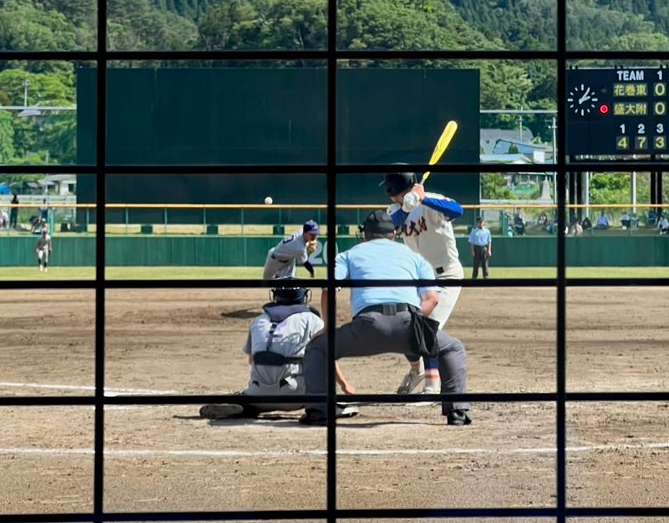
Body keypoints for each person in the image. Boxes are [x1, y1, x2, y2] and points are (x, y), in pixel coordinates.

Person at [301, 210, 471, 426]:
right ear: (393, 235)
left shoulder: (349, 254)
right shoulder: (413, 256)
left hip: (367, 326)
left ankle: (318, 411)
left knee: (318, 348)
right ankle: (457, 412)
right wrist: (414, 324)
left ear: (365, 235)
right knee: (452, 348)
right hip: (407, 322)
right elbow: (432, 299)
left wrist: (328, 326)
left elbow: (329, 287)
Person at [200, 286, 355, 420]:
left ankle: (245, 405)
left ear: (274, 296)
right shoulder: (311, 320)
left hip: (258, 394)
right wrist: (344, 384)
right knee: (322, 357)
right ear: (304, 296)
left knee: (252, 390)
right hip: (296, 395)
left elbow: (251, 360)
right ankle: (324, 407)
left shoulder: (258, 321)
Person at [382, 171, 464, 397]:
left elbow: (458, 210)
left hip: (446, 276)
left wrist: (424, 198)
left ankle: (432, 386)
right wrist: (407, 208)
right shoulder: (395, 210)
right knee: (404, 327)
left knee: (427, 327)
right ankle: (415, 371)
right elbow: (388, 229)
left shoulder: (432, 200)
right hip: (418, 281)